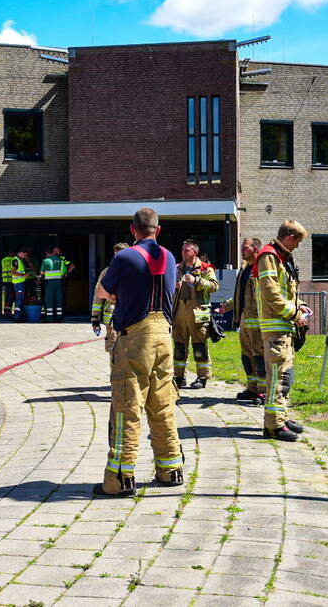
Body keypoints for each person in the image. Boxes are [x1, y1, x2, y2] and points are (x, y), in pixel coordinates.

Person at [95, 208, 183, 495]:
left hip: (135, 338)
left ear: (132, 230)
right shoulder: (170, 257)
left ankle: (119, 478)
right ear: (158, 231)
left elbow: (102, 292)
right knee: (162, 405)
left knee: (127, 407)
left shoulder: (125, 257)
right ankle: (170, 469)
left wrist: (115, 295)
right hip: (164, 337)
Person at [255, 220, 311, 442]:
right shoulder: (269, 257)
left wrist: (300, 305)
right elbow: (271, 294)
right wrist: (295, 314)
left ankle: (282, 417)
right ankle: (273, 426)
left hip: (283, 328)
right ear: (290, 237)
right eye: (297, 242)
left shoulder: (280, 257)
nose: (297, 247)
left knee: (286, 376)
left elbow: (286, 292)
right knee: (278, 378)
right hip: (276, 328)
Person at [219, 237, 265, 404]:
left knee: (259, 357)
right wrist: (228, 306)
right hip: (245, 322)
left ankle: (263, 392)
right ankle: (252, 389)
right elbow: (241, 295)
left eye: (245, 248)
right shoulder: (245, 269)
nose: (241, 251)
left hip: (258, 323)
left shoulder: (260, 268)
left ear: (255, 249)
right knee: (247, 357)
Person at [172, 239, 220, 390]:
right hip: (179, 312)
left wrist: (197, 281)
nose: (183, 253)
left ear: (195, 252)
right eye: (182, 249)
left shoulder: (206, 268)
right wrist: (175, 285)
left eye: (187, 250)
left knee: (199, 347)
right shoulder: (177, 268)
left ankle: (202, 377)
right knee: (179, 347)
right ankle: (179, 377)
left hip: (198, 313)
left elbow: (214, 286)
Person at [92, 242, 129, 352]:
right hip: (112, 321)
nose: (117, 259)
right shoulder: (106, 273)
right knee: (113, 352)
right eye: (115, 255)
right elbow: (97, 297)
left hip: (129, 321)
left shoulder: (134, 272)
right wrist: (95, 319)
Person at [40, 247, 68, 322]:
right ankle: (59, 317)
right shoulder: (61, 260)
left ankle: (50, 318)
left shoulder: (45, 261)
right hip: (58, 283)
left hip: (49, 283)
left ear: (49, 253)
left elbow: (42, 273)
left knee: (49, 300)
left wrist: (41, 280)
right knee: (58, 300)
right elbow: (64, 272)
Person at [12, 248, 29, 322]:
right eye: (25, 254)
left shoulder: (20, 260)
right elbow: (13, 272)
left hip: (20, 283)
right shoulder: (15, 260)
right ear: (21, 252)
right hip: (18, 283)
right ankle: (17, 317)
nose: (25, 256)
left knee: (20, 299)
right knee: (19, 299)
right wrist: (23, 275)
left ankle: (19, 316)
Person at [1, 248, 17, 317]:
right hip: (11, 281)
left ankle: (6, 311)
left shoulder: (3, 260)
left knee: (6, 297)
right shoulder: (14, 260)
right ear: (13, 254)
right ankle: (9, 312)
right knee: (11, 297)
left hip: (5, 281)